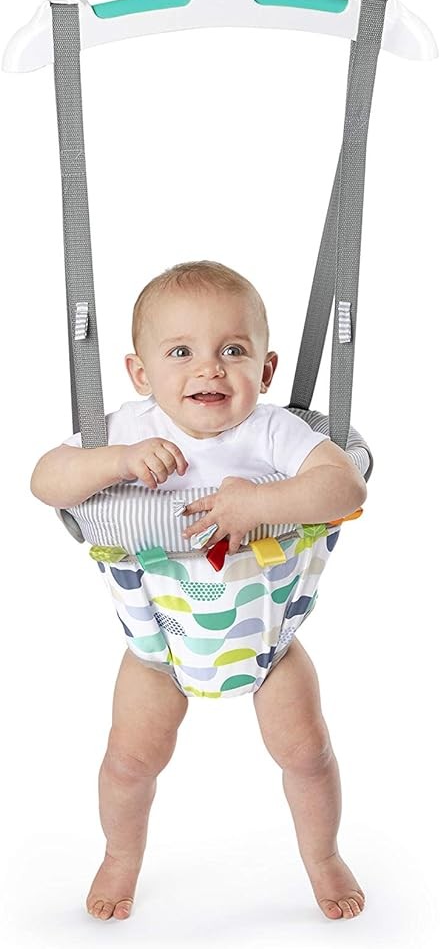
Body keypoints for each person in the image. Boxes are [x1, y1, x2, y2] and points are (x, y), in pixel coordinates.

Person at [30, 259, 367, 923]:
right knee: (128, 761)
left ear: (266, 372)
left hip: (268, 638)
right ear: (141, 373)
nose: (209, 369)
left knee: (308, 754)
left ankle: (324, 856)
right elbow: (46, 481)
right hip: (157, 644)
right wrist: (115, 463)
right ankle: (120, 856)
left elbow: (346, 487)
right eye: (181, 352)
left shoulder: (273, 432)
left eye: (233, 350)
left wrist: (261, 503)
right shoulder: (127, 429)